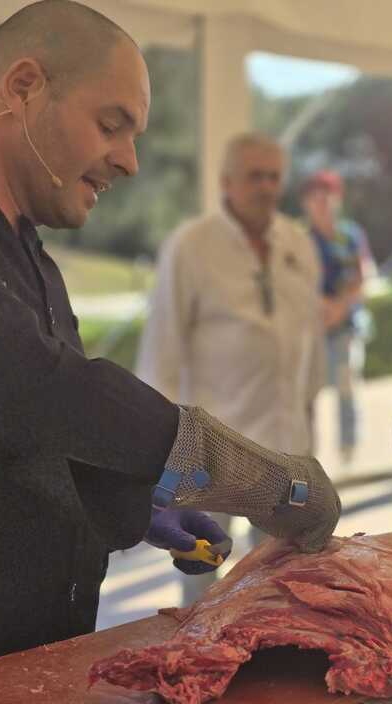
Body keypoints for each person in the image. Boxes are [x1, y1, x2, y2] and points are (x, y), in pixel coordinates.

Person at [0, 2, 339, 704]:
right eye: (111, 123)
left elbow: (25, 447)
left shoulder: (33, 261)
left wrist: (125, 501)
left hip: (21, 674)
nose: (129, 159)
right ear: (24, 86)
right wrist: (265, 482)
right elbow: (21, 390)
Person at [136, 132, 326, 604]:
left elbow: (311, 339)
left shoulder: (298, 244)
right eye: (254, 176)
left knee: (284, 583)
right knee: (203, 581)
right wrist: (150, 459)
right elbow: (161, 350)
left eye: (274, 176)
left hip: (284, 452)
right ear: (227, 182)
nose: (266, 186)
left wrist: (310, 429)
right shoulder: (192, 247)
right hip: (208, 455)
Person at [301, 169, 375, 465]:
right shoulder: (302, 239)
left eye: (326, 197)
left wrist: (341, 307)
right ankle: (307, 454)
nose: (321, 204)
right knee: (308, 392)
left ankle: (348, 451)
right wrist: (322, 307)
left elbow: (363, 272)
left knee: (347, 386)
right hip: (313, 327)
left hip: (346, 325)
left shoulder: (351, 234)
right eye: (315, 198)